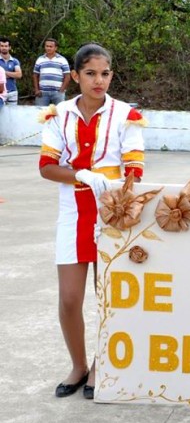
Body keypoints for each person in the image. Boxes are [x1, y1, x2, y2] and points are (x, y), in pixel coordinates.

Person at [39, 43, 146, 400]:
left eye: (104, 74)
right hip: (72, 211)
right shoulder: (58, 114)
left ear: (111, 75)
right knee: (70, 298)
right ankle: (78, 364)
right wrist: (82, 176)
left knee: (109, 296)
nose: (98, 81)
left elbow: (135, 167)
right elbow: (47, 166)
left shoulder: (125, 114)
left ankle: (103, 364)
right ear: (75, 76)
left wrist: (115, 186)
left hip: (113, 212)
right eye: (90, 74)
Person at [33, 38, 71, 106]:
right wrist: (36, 90)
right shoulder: (40, 59)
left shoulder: (62, 60)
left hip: (57, 92)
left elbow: (67, 76)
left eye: (51, 46)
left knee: (59, 113)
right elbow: (35, 75)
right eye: (47, 46)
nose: (48, 48)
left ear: (55, 48)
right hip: (42, 93)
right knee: (40, 113)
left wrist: (62, 90)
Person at [0, 37, 22, 105]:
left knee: (12, 114)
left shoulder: (15, 61)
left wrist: (3, 73)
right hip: (0, 93)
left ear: (9, 47)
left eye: (6, 46)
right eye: (2, 46)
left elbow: (19, 75)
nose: (4, 48)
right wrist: (12, 74)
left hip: (12, 92)